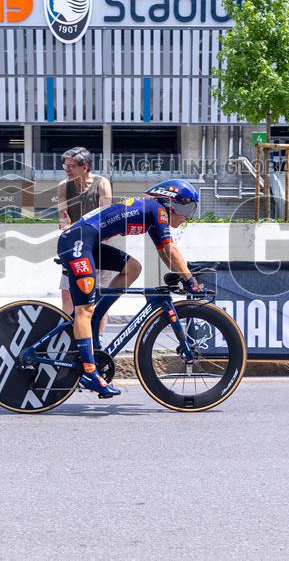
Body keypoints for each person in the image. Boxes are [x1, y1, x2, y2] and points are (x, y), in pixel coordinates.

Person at [56, 179, 204, 398]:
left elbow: (164, 252)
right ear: (170, 203)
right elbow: (170, 251)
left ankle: (95, 314)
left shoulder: (154, 216)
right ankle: (89, 373)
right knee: (83, 309)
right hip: (77, 242)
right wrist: (190, 283)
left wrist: (185, 277)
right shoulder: (158, 210)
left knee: (133, 268)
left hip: (86, 240)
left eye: (191, 209)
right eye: (185, 208)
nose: (186, 216)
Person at [56, 147, 113, 318]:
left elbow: (107, 216)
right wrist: (64, 224)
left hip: (99, 244)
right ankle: (66, 334)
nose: (66, 169)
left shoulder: (102, 184)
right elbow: (63, 216)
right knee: (67, 293)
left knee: (100, 296)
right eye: (65, 165)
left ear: (85, 167)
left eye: (71, 166)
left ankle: (98, 339)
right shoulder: (63, 186)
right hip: (74, 246)